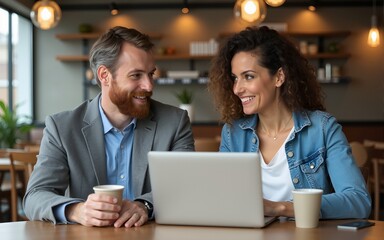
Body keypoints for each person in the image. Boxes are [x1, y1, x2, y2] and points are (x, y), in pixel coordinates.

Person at [24, 26, 194, 227]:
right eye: (136, 75)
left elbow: (186, 186)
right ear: (104, 75)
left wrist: (145, 205)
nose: (149, 86)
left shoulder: (175, 122)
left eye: (151, 74)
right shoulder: (62, 128)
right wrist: (76, 210)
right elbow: (35, 197)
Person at [208, 26, 371, 219]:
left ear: (279, 77)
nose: (237, 89)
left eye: (248, 76)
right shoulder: (233, 133)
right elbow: (222, 199)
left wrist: (280, 208)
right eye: (235, 78)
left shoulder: (323, 128)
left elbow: (358, 200)